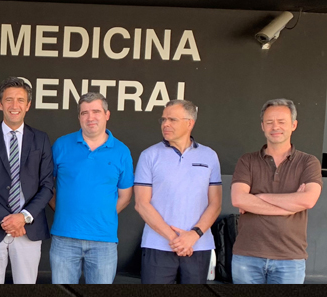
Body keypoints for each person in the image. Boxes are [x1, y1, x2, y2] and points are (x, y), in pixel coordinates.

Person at [230, 98, 323, 284]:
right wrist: (290, 206)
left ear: (293, 125)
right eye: (269, 122)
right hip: (247, 256)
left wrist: (258, 197)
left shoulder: (308, 162)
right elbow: (238, 199)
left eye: (282, 122)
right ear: (262, 126)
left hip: (290, 258)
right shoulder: (247, 161)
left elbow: (308, 200)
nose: (275, 127)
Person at [0, 77, 53, 284]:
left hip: (28, 228)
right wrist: (9, 220)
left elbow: (47, 186)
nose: (14, 105)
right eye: (9, 100)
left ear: (28, 105)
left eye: (20, 100)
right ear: (0, 104)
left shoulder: (41, 139)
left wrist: (23, 217)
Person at [48, 92, 133, 284]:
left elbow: (126, 196)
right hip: (65, 237)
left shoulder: (121, 151)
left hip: (104, 240)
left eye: (96, 111)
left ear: (107, 115)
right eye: (84, 113)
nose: (90, 117)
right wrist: (63, 210)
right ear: (79, 117)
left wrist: (102, 214)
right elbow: (46, 187)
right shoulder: (61, 145)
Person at [134, 99, 222, 284]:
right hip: (158, 246)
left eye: (172, 119)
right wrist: (176, 240)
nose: (165, 124)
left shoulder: (210, 156)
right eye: (163, 119)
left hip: (198, 246)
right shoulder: (149, 155)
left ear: (190, 123)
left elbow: (215, 203)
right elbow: (141, 204)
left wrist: (193, 235)